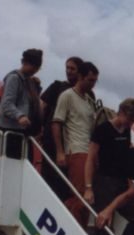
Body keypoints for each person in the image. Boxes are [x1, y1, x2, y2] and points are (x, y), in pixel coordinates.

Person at [84, 98, 134, 235]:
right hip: (104, 180)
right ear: (122, 112)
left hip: (122, 181)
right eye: (130, 119)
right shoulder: (102, 130)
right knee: (103, 222)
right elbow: (90, 158)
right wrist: (88, 187)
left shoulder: (126, 130)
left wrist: (130, 183)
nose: (131, 124)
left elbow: (124, 156)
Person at [51, 61, 99, 227]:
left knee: (87, 198)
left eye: (95, 81)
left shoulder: (89, 101)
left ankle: (78, 229)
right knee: (80, 196)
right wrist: (60, 151)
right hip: (76, 150)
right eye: (90, 80)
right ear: (81, 77)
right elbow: (57, 122)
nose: (92, 84)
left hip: (89, 151)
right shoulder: (67, 95)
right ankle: (71, 228)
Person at [41, 56, 89, 200]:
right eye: (67, 68)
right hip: (53, 143)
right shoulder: (57, 87)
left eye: (72, 68)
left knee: (66, 186)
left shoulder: (86, 95)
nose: (68, 71)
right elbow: (41, 107)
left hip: (72, 146)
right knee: (50, 180)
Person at [0, 48, 43, 161]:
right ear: (24, 62)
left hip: (23, 132)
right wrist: (19, 116)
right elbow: (6, 104)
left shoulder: (29, 81)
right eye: (32, 66)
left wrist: (36, 88)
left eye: (37, 68)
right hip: (11, 132)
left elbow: (28, 102)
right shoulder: (14, 78)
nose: (34, 70)